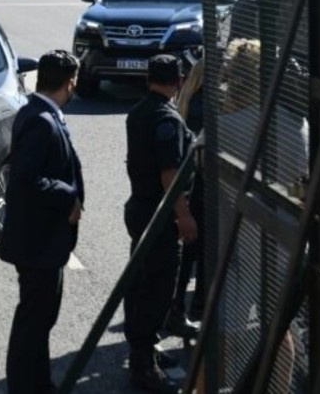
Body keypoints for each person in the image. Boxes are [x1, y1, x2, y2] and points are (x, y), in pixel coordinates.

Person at [0, 50, 84, 394]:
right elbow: (23, 179)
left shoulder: (41, 112)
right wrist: (68, 196)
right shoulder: (40, 119)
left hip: (43, 240)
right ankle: (25, 385)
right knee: (33, 320)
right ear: (69, 82)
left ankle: (38, 383)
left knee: (40, 318)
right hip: (37, 242)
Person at [123, 54, 197, 393]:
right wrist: (183, 215)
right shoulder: (166, 119)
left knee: (139, 281)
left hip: (140, 207)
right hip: (159, 214)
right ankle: (142, 363)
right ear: (178, 80)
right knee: (156, 289)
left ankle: (144, 349)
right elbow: (170, 174)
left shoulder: (138, 111)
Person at [171, 56, 206, 326]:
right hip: (205, 181)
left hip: (190, 179)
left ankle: (176, 305)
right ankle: (197, 308)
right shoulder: (209, 105)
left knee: (189, 251)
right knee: (205, 251)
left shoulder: (188, 99)